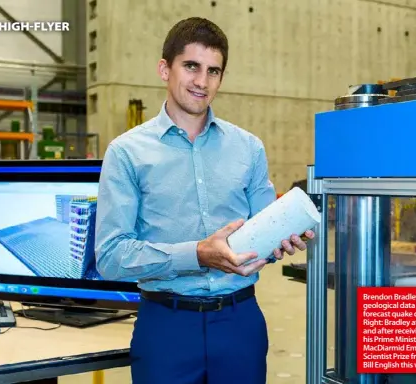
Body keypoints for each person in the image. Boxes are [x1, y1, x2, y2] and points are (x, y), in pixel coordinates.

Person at [95, 17, 315, 384]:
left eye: (213, 71)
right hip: (166, 326)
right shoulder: (126, 153)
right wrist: (196, 253)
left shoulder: (248, 148)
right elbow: (111, 256)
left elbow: (265, 229)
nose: (202, 81)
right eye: (191, 66)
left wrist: (284, 241)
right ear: (165, 69)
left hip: (239, 321)